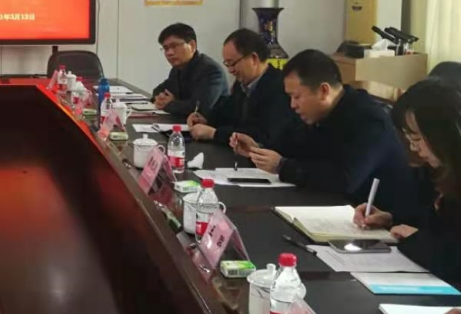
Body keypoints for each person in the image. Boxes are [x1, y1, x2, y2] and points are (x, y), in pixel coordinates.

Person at [231, 49, 416, 216]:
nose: (292, 105)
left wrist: (282, 166)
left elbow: (344, 180)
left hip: (382, 220)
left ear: (323, 91)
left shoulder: (368, 120)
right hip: (335, 209)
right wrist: (258, 150)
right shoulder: (319, 114)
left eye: (297, 97)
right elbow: (294, 148)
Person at [353, 79, 461, 283]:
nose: (413, 148)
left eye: (417, 139)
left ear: (444, 133)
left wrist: (416, 240)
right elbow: (430, 221)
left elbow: (453, 260)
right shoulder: (436, 171)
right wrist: (390, 219)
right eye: (409, 140)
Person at [187, 28, 300, 146]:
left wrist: (215, 133)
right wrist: (206, 119)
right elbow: (227, 112)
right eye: (227, 64)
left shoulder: (279, 87)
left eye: (232, 63)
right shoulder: (241, 84)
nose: (230, 70)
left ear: (253, 58)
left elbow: (263, 135)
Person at [151, 23, 228, 117]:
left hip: (208, 125)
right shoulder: (177, 69)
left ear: (192, 45)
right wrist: (160, 98)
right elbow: (159, 90)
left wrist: (170, 104)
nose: (169, 53)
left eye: (174, 46)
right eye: (166, 48)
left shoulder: (211, 71)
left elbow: (197, 108)